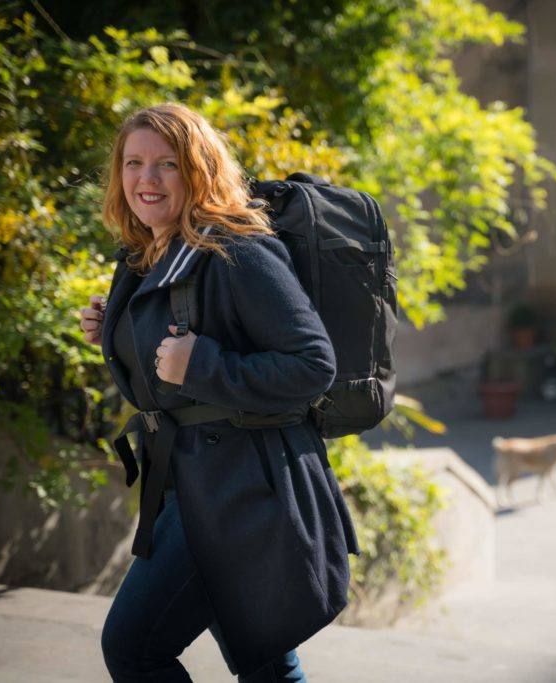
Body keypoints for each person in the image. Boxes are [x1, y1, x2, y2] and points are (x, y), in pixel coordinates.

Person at [77, 103, 360, 682]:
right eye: (133, 163)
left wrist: (203, 365)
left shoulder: (239, 251)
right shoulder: (144, 254)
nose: (146, 180)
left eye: (166, 165)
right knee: (263, 661)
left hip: (243, 493)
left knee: (133, 648)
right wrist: (116, 329)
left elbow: (312, 365)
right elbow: (164, 377)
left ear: (199, 170)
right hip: (195, 482)